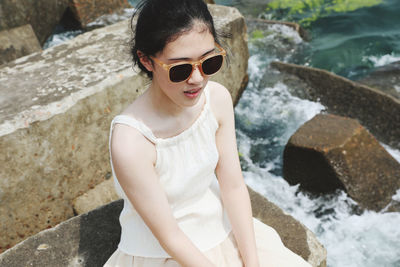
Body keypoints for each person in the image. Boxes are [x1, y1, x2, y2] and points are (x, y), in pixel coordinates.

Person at [104, 0, 312, 266]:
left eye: (209, 62)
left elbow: (233, 186)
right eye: (180, 68)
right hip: (163, 254)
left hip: (222, 229)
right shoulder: (131, 141)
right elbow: (170, 237)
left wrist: (252, 261)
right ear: (146, 60)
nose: (197, 79)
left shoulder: (217, 100)